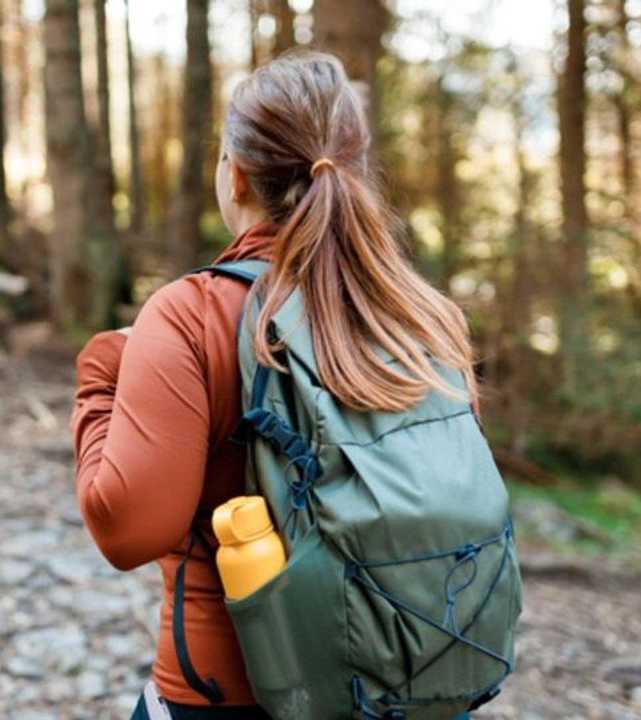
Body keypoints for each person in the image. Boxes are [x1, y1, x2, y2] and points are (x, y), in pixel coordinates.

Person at [70, 50, 479, 720]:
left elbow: (127, 532)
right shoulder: (426, 317)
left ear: (233, 176)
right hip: (412, 679)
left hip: (229, 693)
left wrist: (97, 386)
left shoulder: (191, 314)